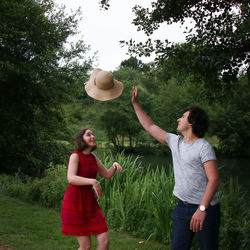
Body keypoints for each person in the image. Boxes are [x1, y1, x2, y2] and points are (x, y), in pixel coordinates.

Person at [131, 86, 220, 250]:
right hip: (182, 208)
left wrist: (202, 209)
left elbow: (214, 179)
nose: (179, 119)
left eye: (183, 117)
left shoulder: (204, 147)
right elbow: (150, 126)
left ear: (192, 122)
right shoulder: (175, 141)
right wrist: (136, 104)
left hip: (206, 210)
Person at [61, 128, 122, 250]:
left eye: (93, 134)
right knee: (85, 246)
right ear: (81, 139)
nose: (93, 136)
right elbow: (71, 178)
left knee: (104, 241)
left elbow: (106, 174)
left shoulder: (93, 157)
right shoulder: (75, 156)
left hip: (90, 203)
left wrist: (114, 166)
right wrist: (92, 182)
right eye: (89, 135)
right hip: (75, 202)